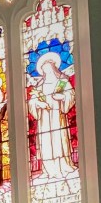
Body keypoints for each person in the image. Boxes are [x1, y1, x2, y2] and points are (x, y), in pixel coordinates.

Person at [28, 51, 77, 183]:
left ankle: (63, 166)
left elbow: (70, 95)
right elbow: (32, 101)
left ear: (53, 67)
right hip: (44, 118)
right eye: (44, 70)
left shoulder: (61, 82)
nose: (47, 71)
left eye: (48, 68)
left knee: (58, 140)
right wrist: (38, 103)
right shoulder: (39, 86)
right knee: (45, 142)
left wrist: (62, 97)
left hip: (57, 115)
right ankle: (48, 169)